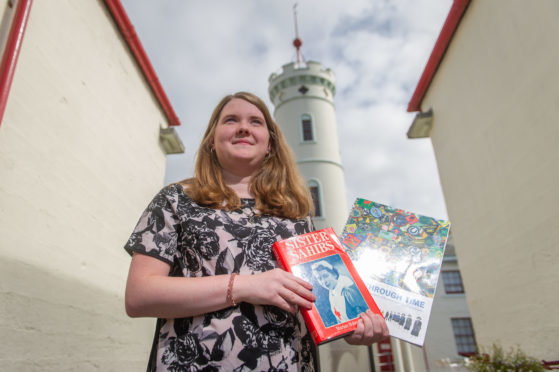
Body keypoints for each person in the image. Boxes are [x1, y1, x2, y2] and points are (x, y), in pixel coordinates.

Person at [124, 92, 389, 371]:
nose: (243, 127)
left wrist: (354, 329)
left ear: (271, 145)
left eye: (255, 121)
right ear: (211, 141)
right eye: (230, 120)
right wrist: (247, 285)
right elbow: (139, 295)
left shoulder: (297, 216)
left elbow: (319, 302)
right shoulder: (177, 200)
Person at [311, 260, 369, 324]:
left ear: (334, 275)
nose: (324, 281)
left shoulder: (347, 292)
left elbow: (364, 315)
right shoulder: (331, 293)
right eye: (319, 278)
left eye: (325, 276)